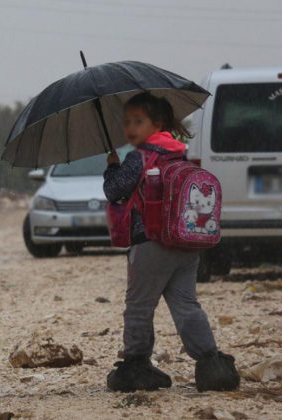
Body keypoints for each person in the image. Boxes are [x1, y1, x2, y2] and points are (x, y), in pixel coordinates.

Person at [103, 92, 239, 393]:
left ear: (158, 122)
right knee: (187, 305)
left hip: (150, 242)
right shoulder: (181, 153)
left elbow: (114, 191)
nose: (130, 129)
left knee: (139, 306)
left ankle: (136, 369)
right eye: (127, 122)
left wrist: (112, 166)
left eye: (138, 121)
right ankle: (212, 366)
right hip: (186, 242)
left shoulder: (138, 157)